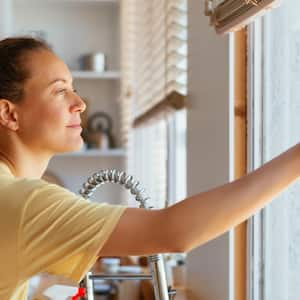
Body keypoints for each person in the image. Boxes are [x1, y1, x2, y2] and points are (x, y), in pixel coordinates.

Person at [0, 36, 299, 299]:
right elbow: (172, 231)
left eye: (73, 88)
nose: (79, 103)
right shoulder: (22, 203)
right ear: (8, 113)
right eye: (59, 90)